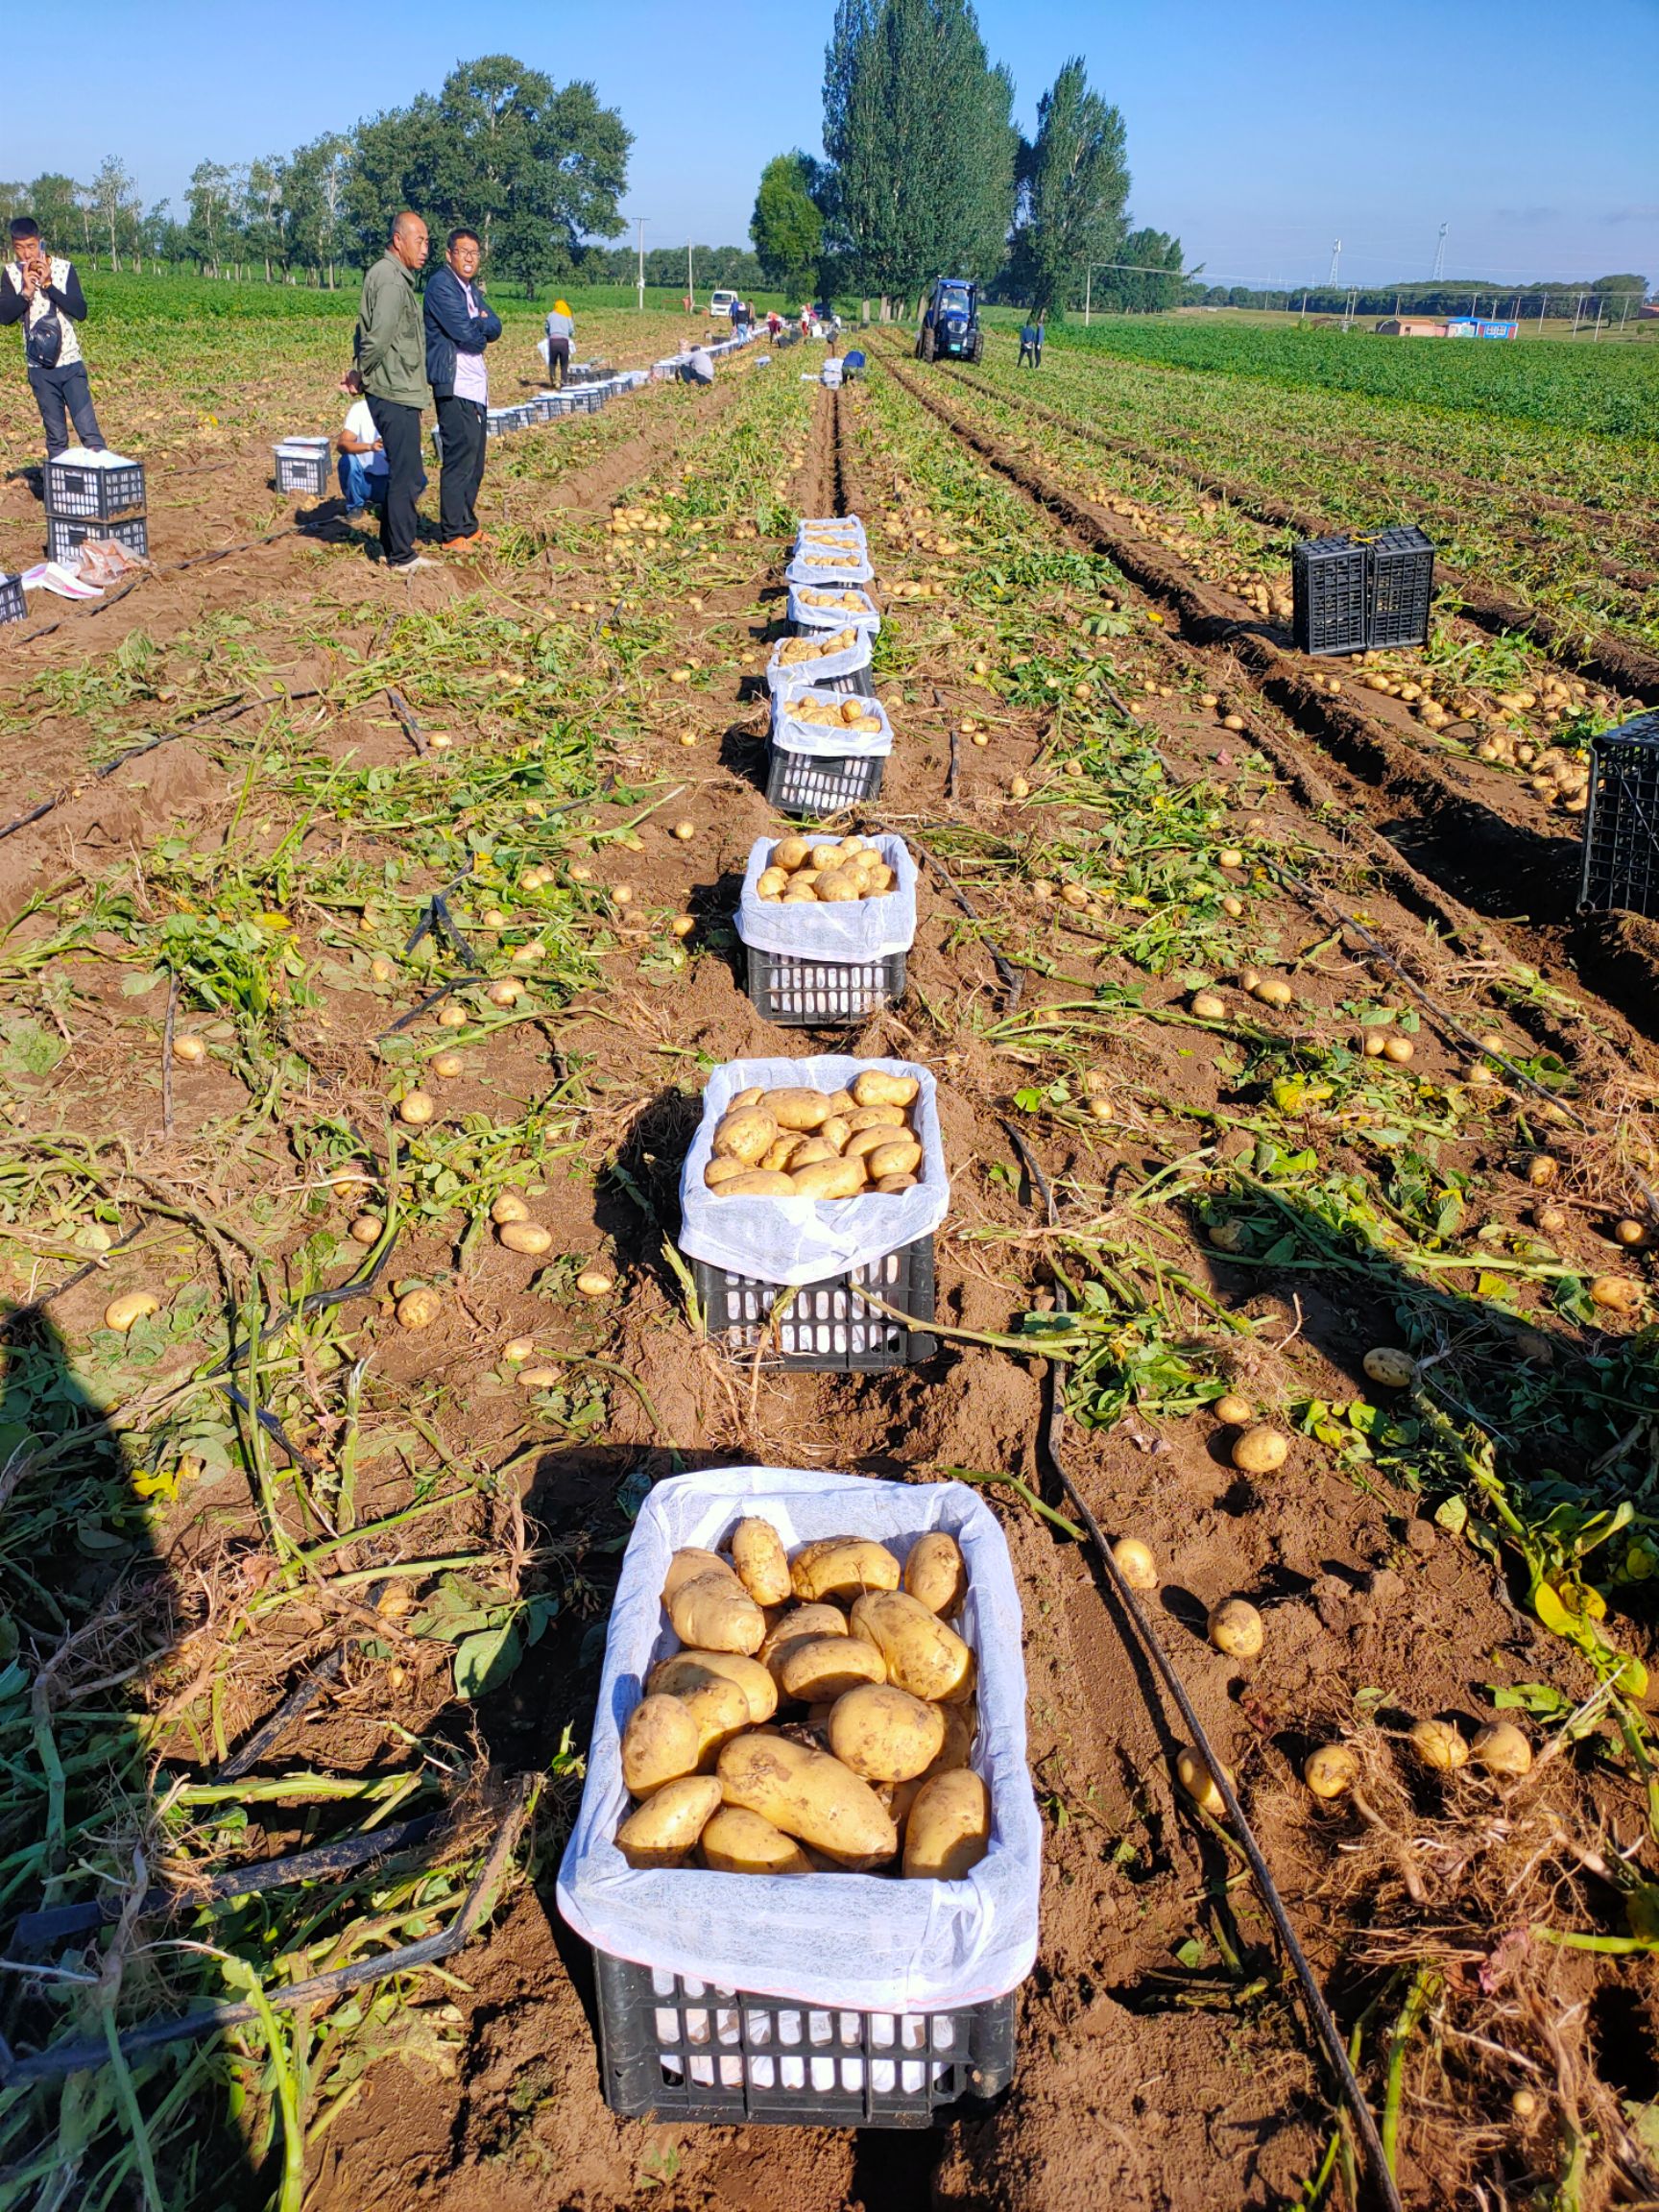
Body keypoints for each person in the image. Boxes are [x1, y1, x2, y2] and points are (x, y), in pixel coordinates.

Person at [354, 210, 432, 572]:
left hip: (399, 388)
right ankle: (402, 554)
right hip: (391, 389)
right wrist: (360, 372)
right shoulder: (389, 279)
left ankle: (391, 545)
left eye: (428, 241)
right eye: (420, 240)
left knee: (408, 471)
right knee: (408, 474)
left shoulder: (395, 277)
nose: (425, 249)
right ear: (398, 241)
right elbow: (379, 336)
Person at [0, 216, 107, 459]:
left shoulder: (64, 268)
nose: (26, 254)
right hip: (39, 368)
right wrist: (26, 292)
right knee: (56, 437)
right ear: (12, 246)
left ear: (40, 243)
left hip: (70, 364)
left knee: (89, 433)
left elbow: (80, 311)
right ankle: (62, 493)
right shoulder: (10, 274)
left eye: (30, 246)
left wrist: (49, 284)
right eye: (19, 247)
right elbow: (4, 317)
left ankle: (103, 488)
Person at [424, 227, 501, 551]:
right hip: (454, 385)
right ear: (449, 255)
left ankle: (468, 526)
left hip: (475, 387)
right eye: (462, 251)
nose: (469, 258)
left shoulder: (470, 290)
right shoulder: (441, 286)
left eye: (474, 252)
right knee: (458, 460)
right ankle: (452, 533)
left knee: (475, 461)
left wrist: (479, 324)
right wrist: (478, 327)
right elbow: (467, 336)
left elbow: (494, 327)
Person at [336, 373, 388, 515]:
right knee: (348, 461)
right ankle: (355, 506)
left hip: (390, 482)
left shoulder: (399, 411)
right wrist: (369, 447)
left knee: (417, 473)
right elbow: (342, 445)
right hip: (363, 480)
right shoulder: (360, 409)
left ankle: (394, 506)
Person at [544, 298, 574, 388]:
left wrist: (549, 334)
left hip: (553, 341)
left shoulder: (550, 315)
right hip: (564, 342)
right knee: (564, 363)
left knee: (552, 362)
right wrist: (569, 334)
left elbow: (546, 327)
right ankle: (564, 381)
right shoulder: (567, 315)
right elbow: (571, 330)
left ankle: (553, 380)